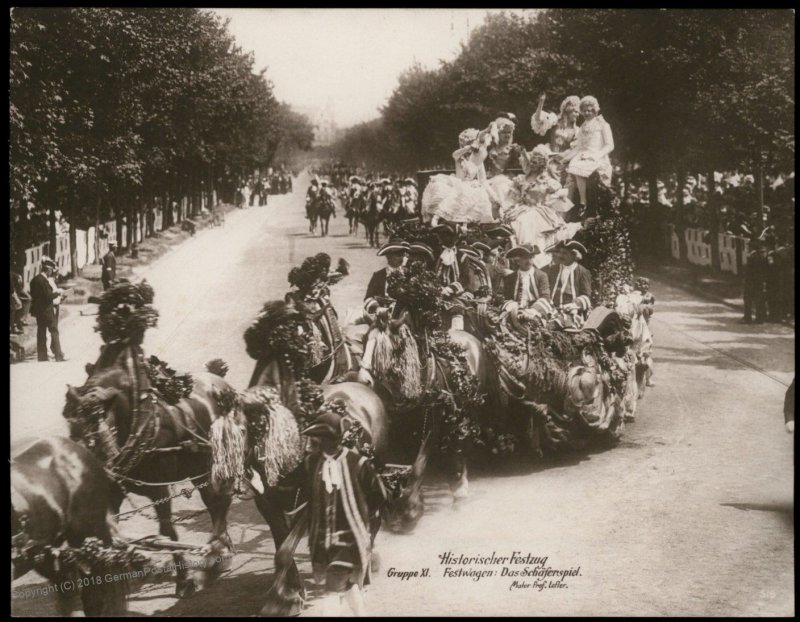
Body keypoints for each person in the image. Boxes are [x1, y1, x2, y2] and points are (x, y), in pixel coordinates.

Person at [302, 410, 384, 617]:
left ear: (335, 439)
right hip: (322, 540)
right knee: (347, 584)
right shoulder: (311, 463)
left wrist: (364, 522)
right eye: (319, 438)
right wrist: (259, 484)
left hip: (349, 541)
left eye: (322, 438)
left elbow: (377, 494)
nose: (319, 443)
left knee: (332, 590)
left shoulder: (357, 463)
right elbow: (295, 489)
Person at [500, 144, 582, 269]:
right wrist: (507, 209)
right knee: (519, 223)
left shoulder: (547, 181)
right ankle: (521, 258)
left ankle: (536, 261)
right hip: (522, 209)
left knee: (534, 229)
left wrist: (556, 199)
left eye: (537, 161)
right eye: (533, 160)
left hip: (540, 211)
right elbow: (513, 198)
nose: (533, 163)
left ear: (542, 163)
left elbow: (558, 199)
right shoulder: (521, 179)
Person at [421, 126, 497, 225]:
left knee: (478, 193)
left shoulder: (478, 160)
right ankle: (438, 217)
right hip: (457, 183)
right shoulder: (459, 156)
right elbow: (455, 154)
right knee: (454, 191)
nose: (472, 147)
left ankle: (467, 223)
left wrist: (494, 197)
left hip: (471, 185)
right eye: (468, 143)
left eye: (472, 143)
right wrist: (470, 147)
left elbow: (483, 180)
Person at [557, 96, 615, 211]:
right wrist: (563, 160)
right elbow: (578, 148)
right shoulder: (582, 127)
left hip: (597, 157)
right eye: (584, 110)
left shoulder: (602, 124)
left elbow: (610, 145)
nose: (587, 113)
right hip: (582, 156)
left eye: (590, 110)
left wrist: (596, 156)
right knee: (570, 170)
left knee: (578, 166)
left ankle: (584, 202)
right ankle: (566, 210)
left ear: (595, 110)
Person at [29, 257, 67, 362]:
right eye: (51, 270)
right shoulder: (44, 281)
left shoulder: (34, 280)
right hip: (47, 310)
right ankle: (59, 355)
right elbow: (48, 296)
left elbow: (33, 295)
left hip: (38, 310)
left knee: (41, 332)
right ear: (48, 270)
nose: (51, 273)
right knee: (53, 330)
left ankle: (42, 356)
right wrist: (58, 293)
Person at [546, 241, 592, 312]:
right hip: (552, 307)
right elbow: (547, 288)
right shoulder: (554, 269)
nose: (560, 256)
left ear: (574, 255)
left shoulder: (582, 272)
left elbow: (586, 295)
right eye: (560, 252)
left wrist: (575, 305)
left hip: (572, 309)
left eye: (565, 253)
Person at [502, 244, 551, 308]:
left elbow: (545, 297)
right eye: (525, 258)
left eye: (530, 258)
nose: (529, 261)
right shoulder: (511, 277)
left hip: (536, 308)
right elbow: (507, 297)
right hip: (515, 308)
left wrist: (535, 308)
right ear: (518, 261)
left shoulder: (541, 275)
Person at [742, 237, 768, 324]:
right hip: (759, 281)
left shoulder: (752, 256)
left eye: (749, 246)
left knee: (748, 299)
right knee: (759, 299)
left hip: (751, 281)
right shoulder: (762, 256)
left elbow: (749, 270)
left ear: (752, 247)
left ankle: (747, 317)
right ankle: (760, 318)